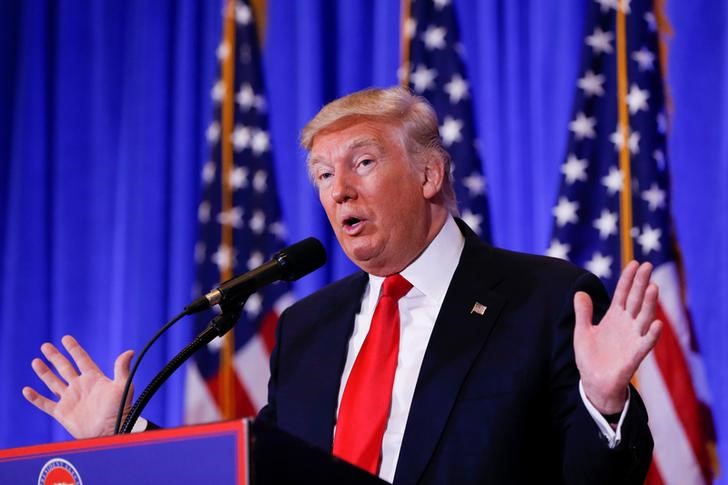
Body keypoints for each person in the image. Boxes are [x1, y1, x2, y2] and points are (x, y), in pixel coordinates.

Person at [24, 86, 661, 484]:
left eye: (362, 162)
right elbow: (261, 469)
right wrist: (128, 433)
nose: (339, 190)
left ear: (429, 174)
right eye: (323, 175)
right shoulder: (308, 327)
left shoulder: (545, 298)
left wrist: (604, 405)